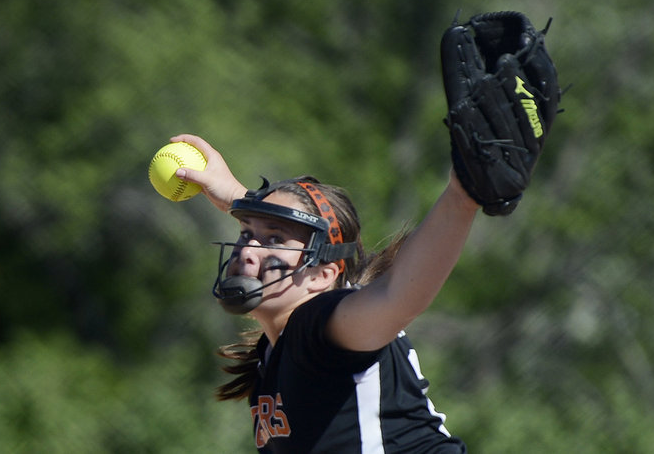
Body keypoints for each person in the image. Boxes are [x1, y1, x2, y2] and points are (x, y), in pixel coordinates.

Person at [171, 133, 476, 453]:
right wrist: (237, 197)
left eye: (274, 240)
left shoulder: (319, 326)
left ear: (322, 275)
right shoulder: (272, 355)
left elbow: (398, 296)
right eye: (247, 233)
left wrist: (463, 196)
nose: (248, 249)